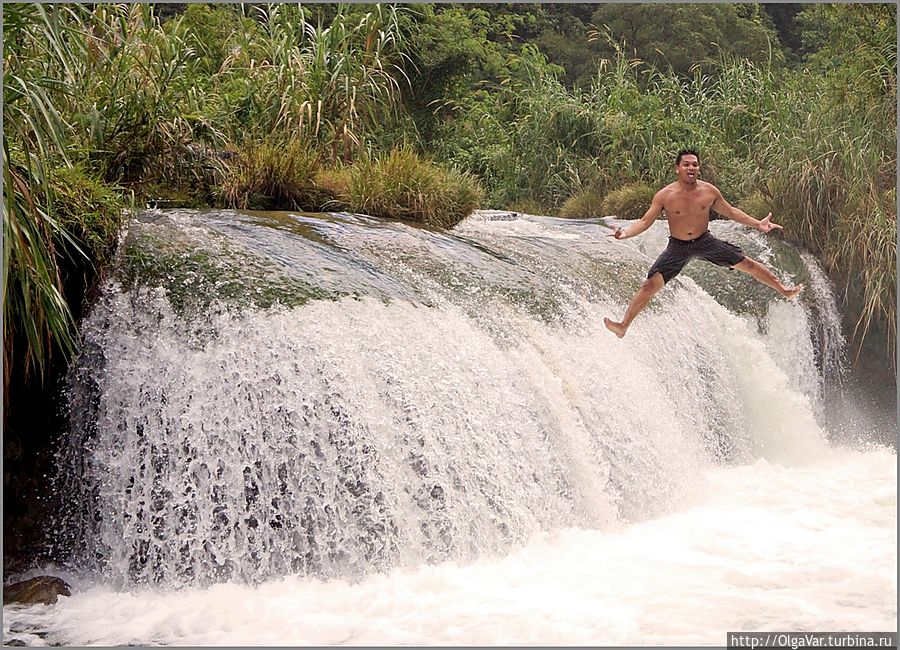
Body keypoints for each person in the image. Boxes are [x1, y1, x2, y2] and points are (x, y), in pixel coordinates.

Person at [603, 149, 803, 338]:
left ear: (699, 168)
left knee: (747, 264)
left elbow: (731, 212)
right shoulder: (665, 195)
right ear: (677, 168)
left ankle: (783, 290)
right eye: (686, 164)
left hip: (705, 241)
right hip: (678, 246)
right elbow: (645, 221)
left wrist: (758, 224)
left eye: (695, 165)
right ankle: (623, 326)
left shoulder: (709, 192)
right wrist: (626, 233)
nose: (691, 168)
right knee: (649, 285)